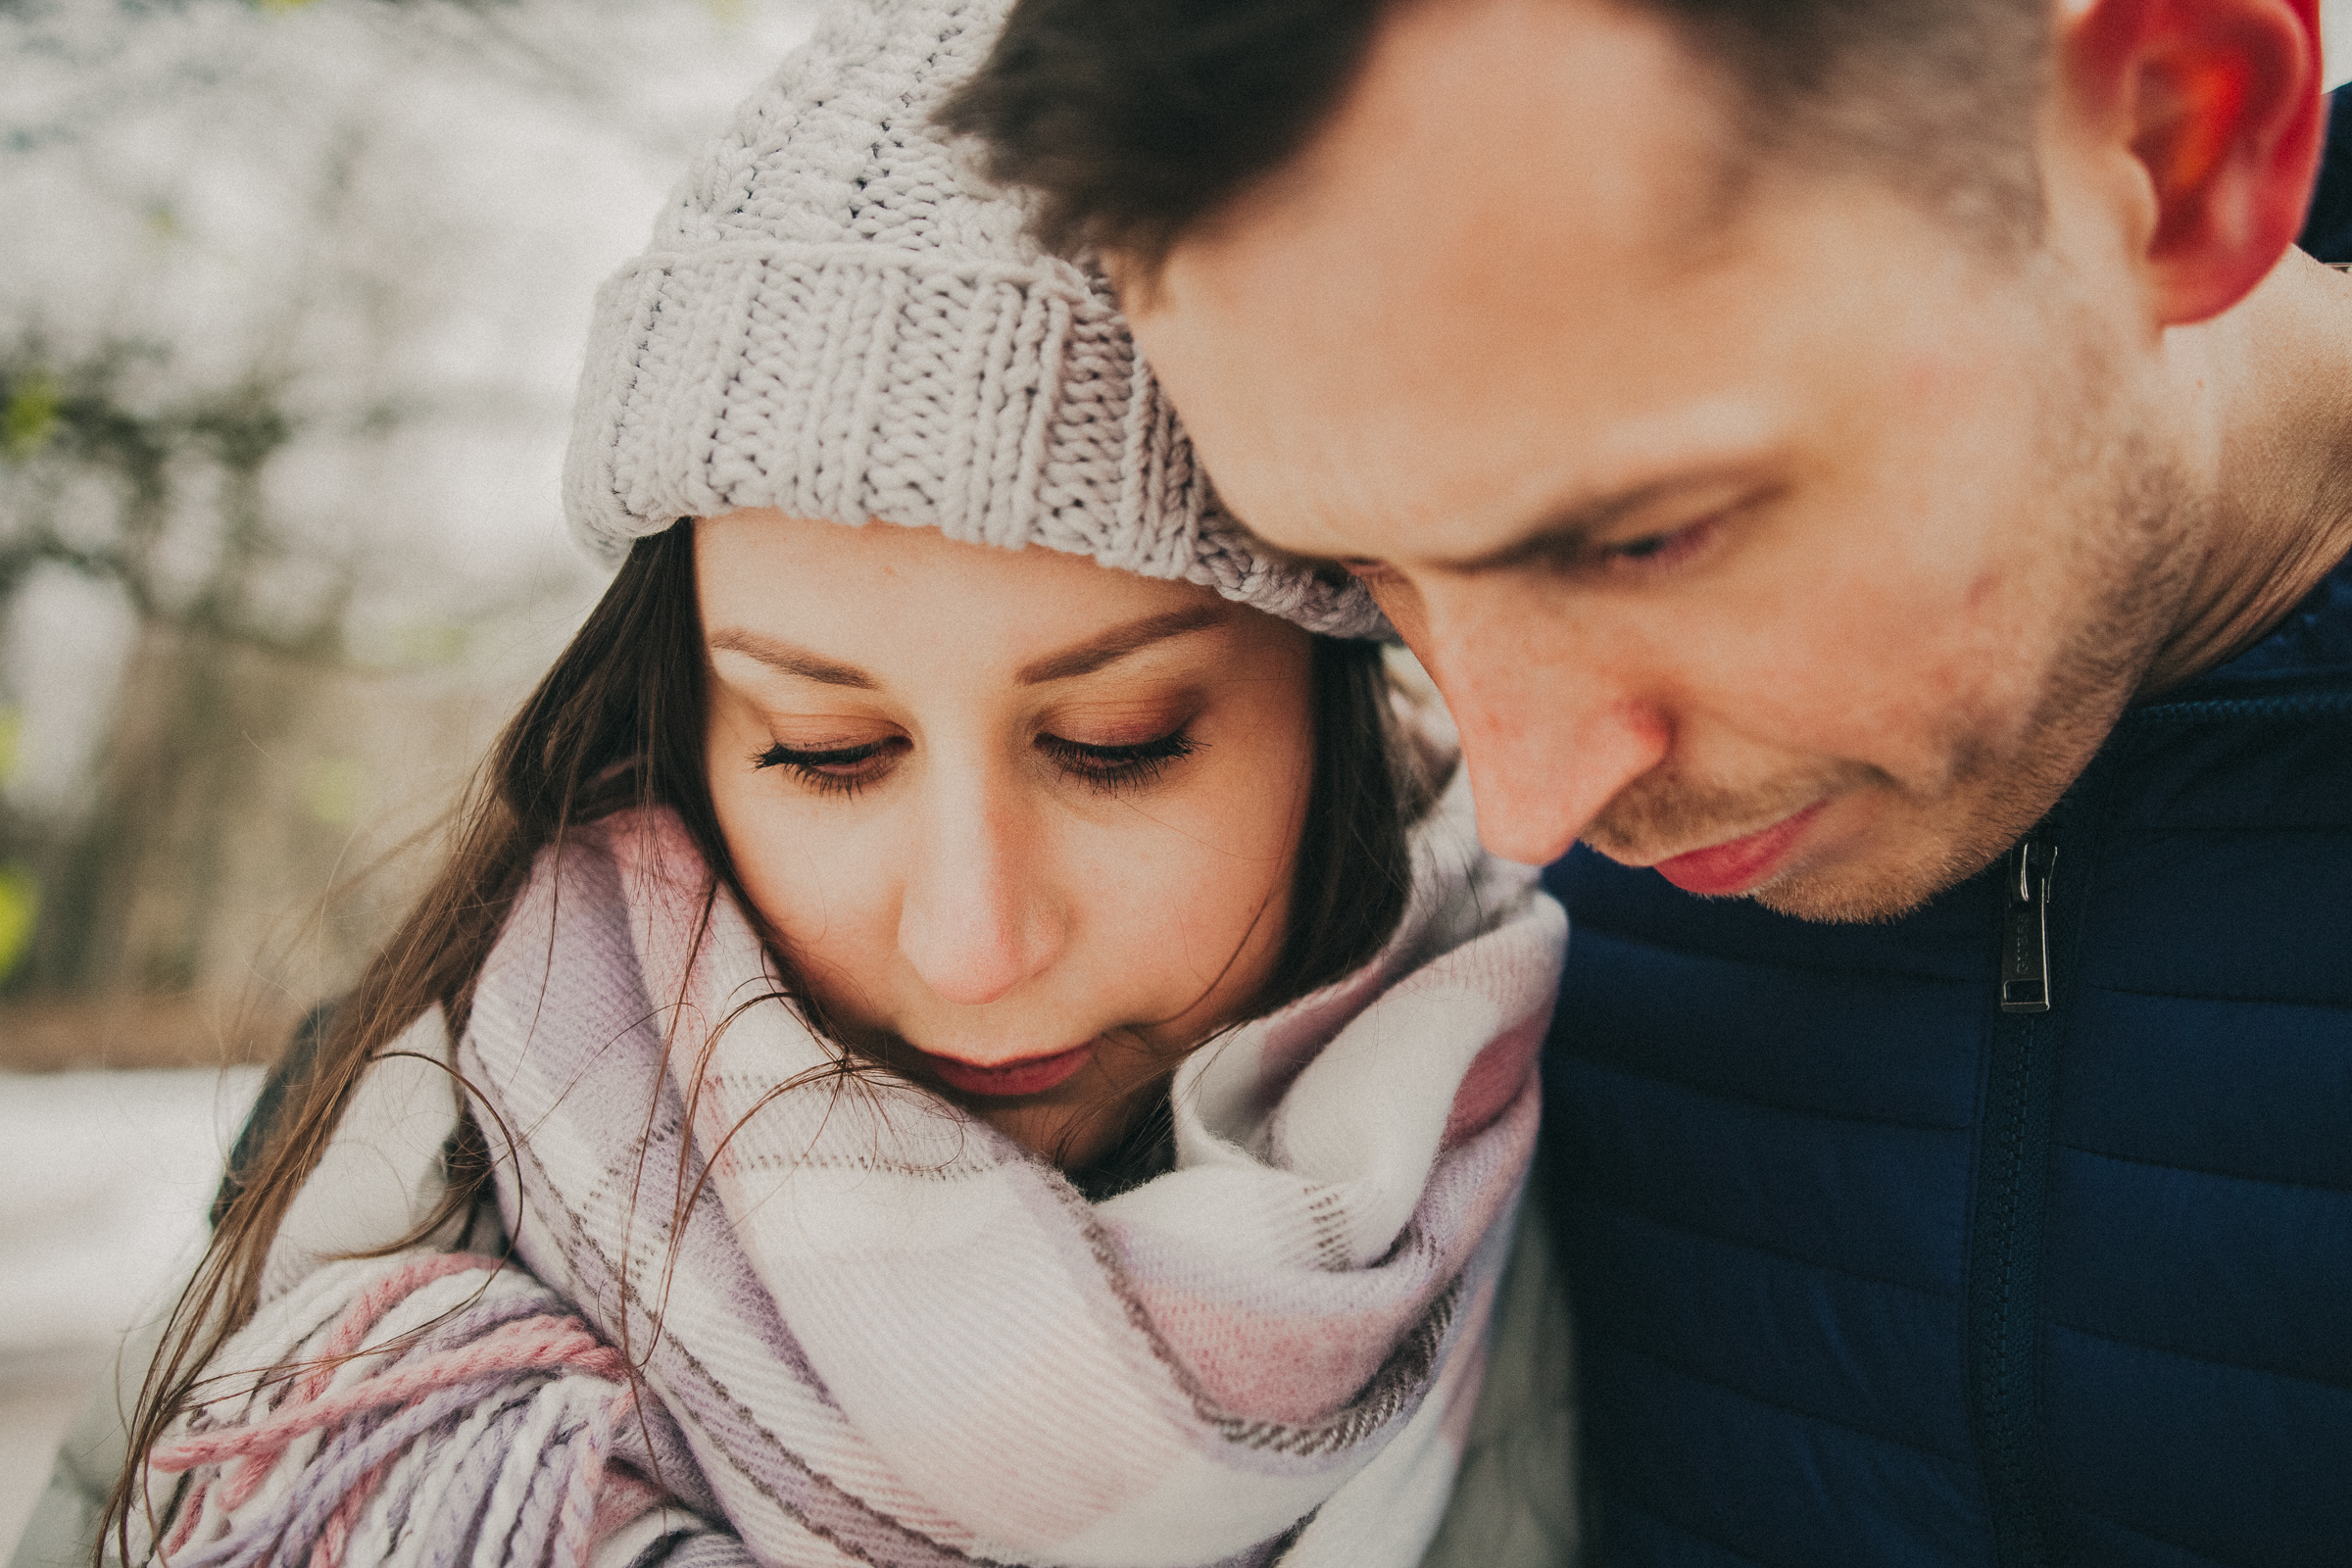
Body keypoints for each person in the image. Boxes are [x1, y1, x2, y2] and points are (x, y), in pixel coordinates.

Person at [21, 8, 1573, 1568]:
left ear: (1336, 702)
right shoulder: (386, 1163)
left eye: (1118, 741)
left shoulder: (1583, 1146)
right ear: (680, 716)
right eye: (828, 754)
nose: (973, 944)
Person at [939, 0, 2352, 1563]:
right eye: (1367, 573)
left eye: (1641, 540)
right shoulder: (1448, 958)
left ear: (2176, 144)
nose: (1532, 807)